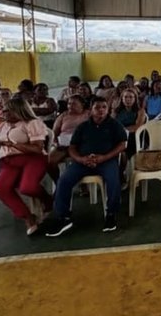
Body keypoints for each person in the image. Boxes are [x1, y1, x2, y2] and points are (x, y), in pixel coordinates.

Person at [42, 97, 127, 236]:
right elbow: (72, 147)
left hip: (106, 160)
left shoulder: (114, 124)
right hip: (83, 161)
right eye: (97, 107)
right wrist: (80, 159)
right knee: (64, 180)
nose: (101, 110)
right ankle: (63, 217)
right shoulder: (83, 127)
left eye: (104, 107)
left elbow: (122, 145)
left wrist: (104, 157)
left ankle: (111, 214)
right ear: (91, 110)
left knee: (113, 180)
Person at [0, 98, 52, 236]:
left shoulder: (32, 123)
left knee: (28, 187)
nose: (4, 113)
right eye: (4, 111)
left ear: (18, 110)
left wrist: (14, 145)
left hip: (33, 159)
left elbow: (37, 148)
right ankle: (28, 218)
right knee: (0, 187)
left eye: (7, 111)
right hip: (10, 161)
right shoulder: (4, 125)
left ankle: (48, 200)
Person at [47, 95, 90, 184]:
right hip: (64, 145)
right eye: (69, 104)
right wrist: (56, 143)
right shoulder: (63, 115)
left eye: (74, 104)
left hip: (82, 145)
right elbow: (54, 133)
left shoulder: (88, 114)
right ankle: (58, 183)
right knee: (49, 161)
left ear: (82, 104)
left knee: (82, 162)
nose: (70, 106)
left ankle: (84, 186)